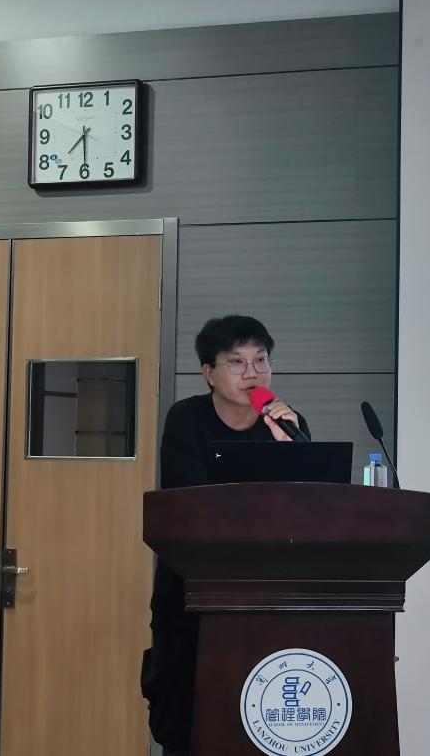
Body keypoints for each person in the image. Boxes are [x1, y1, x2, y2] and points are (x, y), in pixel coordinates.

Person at [141, 315, 310, 756]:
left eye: (261, 360)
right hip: (192, 593)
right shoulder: (187, 420)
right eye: (236, 362)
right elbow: (191, 507)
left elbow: (310, 510)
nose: (252, 372)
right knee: (189, 723)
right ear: (209, 373)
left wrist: (291, 451)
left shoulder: (288, 425)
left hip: (267, 595)